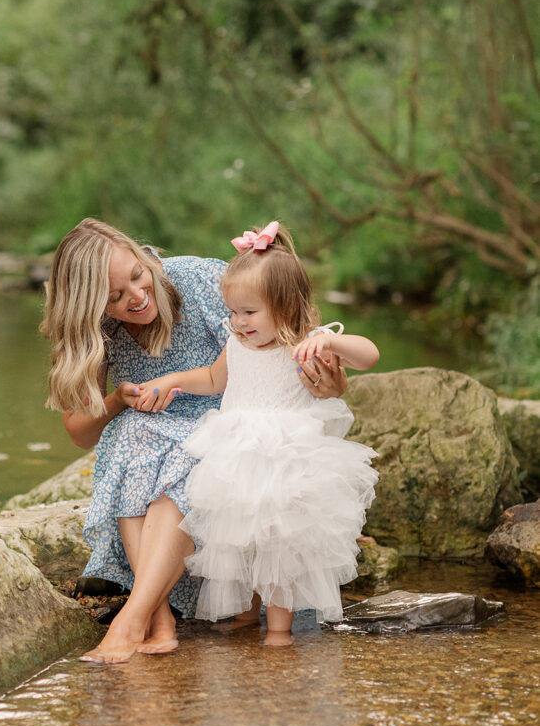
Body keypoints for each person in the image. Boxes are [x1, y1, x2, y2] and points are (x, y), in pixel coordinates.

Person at [40, 218, 349, 663]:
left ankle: (134, 616)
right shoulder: (97, 331)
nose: (137, 296)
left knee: (188, 454)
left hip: (230, 433)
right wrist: (119, 400)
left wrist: (326, 380)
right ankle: (158, 616)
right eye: (115, 296)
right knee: (129, 433)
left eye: (137, 275)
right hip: (151, 445)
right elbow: (79, 432)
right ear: (89, 305)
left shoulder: (198, 280)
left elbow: (285, 334)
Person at [133, 221, 379, 646]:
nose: (238, 322)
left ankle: (279, 629)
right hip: (237, 458)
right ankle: (246, 613)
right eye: (232, 312)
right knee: (238, 540)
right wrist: (172, 378)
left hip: (286, 461)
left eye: (249, 313)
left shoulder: (306, 342)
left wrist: (331, 344)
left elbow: (369, 356)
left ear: (286, 307)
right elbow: (212, 379)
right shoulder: (237, 345)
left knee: (279, 546)